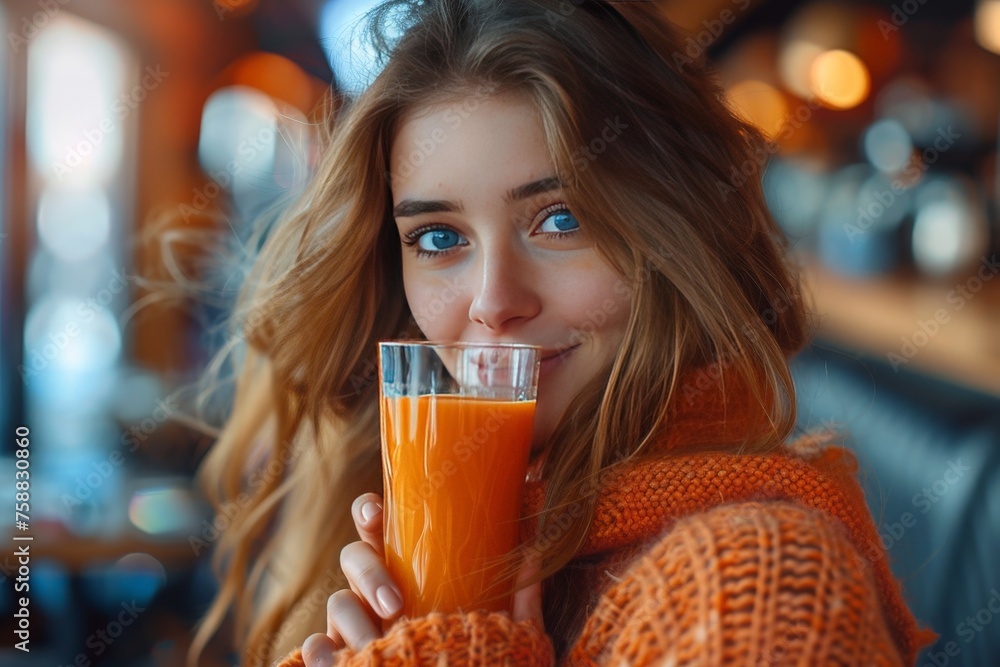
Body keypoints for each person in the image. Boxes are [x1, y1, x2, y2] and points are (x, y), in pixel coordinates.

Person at [187, 1, 936, 665]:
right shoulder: (423, 548)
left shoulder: (762, 578)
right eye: (440, 238)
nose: (493, 303)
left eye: (561, 219)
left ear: (673, 236)